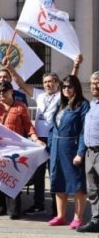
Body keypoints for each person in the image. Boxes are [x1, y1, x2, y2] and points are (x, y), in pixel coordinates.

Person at [8, 56, 82, 216]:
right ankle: (39, 204)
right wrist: (10, 68)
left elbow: (72, 80)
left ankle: (57, 209)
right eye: (46, 82)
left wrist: (76, 65)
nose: (49, 84)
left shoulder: (61, 95)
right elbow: (20, 83)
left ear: (57, 83)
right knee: (38, 173)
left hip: (55, 138)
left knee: (55, 172)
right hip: (39, 139)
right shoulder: (39, 95)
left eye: (52, 81)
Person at [0, 81, 43, 219]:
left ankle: (13, 208)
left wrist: (35, 139)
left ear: (11, 91)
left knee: (12, 178)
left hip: (14, 150)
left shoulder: (21, 106)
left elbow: (28, 125)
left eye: (4, 91)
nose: (1, 93)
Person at [47, 75, 89, 229]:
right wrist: (50, 147)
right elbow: (53, 128)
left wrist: (80, 152)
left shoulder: (83, 105)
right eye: (64, 87)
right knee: (58, 181)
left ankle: (78, 217)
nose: (66, 89)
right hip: (57, 148)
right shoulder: (61, 105)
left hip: (72, 147)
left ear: (76, 88)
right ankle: (60, 216)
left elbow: (85, 131)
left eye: (70, 86)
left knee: (77, 184)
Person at [78, 71, 99, 233]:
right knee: (92, 189)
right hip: (90, 152)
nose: (94, 86)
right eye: (92, 83)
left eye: (97, 83)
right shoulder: (91, 105)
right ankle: (96, 220)